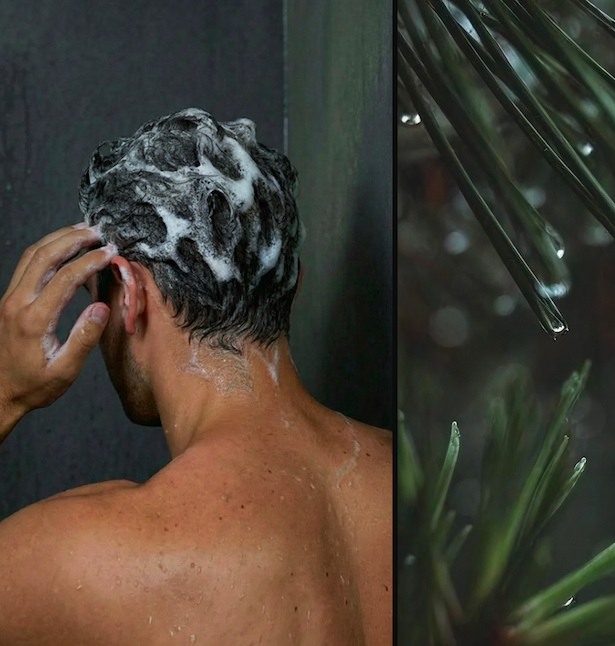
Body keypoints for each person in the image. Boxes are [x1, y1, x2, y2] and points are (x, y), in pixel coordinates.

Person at [0, 108, 392, 645]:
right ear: (292, 282)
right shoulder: (423, 473)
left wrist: (5, 392)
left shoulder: (85, 559)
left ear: (128, 291)